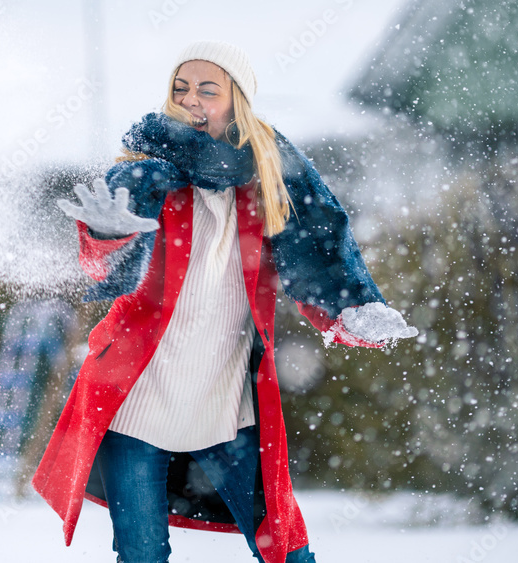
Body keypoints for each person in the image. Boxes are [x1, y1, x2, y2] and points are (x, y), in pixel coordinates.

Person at [33, 41, 418, 563]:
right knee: (141, 554)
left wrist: (353, 309)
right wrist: (106, 234)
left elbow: (319, 249)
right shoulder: (145, 171)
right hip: (134, 400)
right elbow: (104, 265)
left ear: (237, 99)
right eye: (181, 87)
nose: (191, 99)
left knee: (285, 548)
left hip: (225, 402)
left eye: (207, 89)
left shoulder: (273, 176)